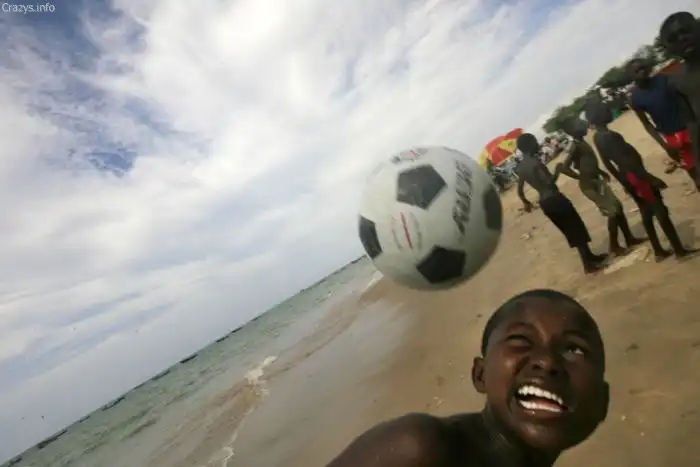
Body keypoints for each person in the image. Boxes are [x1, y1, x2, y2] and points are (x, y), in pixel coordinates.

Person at [326, 289, 609, 467]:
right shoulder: (420, 447)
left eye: (574, 349)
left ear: (602, 404)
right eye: (521, 340)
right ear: (480, 375)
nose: (547, 362)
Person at [585, 100, 698, 261]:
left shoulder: (598, 137)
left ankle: (658, 250)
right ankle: (679, 251)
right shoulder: (611, 136)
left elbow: (608, 164)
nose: (609, 111)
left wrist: (624, 181)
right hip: (637, 176)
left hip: (628, 176)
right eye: (606, 110)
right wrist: (650, 178)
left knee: (646, 211)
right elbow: (626, 161)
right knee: (660, 210)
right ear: (599, 115)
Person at [515, 133, 606, 274]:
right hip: (554, 198)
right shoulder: (536, 163)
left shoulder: (521, 168)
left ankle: (590, 257)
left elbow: (520, 190)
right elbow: (549, 183)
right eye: (535, 142)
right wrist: (558, 170)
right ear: (529, 145)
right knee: (575, 228)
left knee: (570, 230)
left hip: (545, 203)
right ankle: (588, 265)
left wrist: (526, 203)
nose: (537, 144)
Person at [554, 118, 645, 256]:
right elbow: (564, 167)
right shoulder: (575, 146)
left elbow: (586, 162)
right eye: (579, 125)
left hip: (596, 180)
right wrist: (581, 177)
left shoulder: (581, 142)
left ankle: (629, 238)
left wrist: (600, 172)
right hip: (590, 185)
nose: (584, 126)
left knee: (618, 207)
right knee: (612, 212)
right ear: (572, 130)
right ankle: (614, 246)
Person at [625, 57, 700, 190]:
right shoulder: (635, 99)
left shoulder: (664, 79)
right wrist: (665, 145)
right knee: (692, 170)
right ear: (631, 76)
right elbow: (647, 124)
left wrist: (692, 126)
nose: (642, 72)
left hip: (689, 127)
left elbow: (683, 102)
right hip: (672, 137)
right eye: (637, 71)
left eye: (643, 68)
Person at [659, 11, 700, 186]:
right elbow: (692, 123)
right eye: (673, 39)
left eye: (685, 31)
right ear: (669, 48)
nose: (682, 39)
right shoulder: (677, 81)